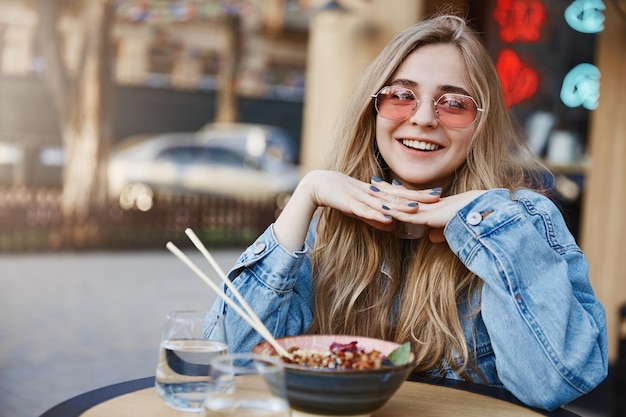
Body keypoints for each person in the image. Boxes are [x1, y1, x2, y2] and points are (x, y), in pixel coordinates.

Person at [208, 12, 608, 411]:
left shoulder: (522, 220)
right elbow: (234, 364)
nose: (423, 118)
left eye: (454, 103)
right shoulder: (324, 225)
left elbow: (555, 382)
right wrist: (305, 195)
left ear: (480, 125)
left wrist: (482, 220)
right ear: (374, 110)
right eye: (402, 95)